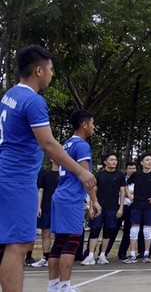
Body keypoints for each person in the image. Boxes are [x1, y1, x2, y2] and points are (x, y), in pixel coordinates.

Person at [0, 46, 95, 292]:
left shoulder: (9, 95)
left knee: (6, 243)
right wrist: (81, 171)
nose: (52, 74)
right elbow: (48, 144)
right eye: (51, 69)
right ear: (39, 70)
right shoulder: (33, 100)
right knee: (18, 244)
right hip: (17, 179)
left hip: (6, 174)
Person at [47, 110, 101, 292]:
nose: (93, 127)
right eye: (92, 123)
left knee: (60, 242)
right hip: (71, 198)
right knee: (72, 241)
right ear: (84, 124)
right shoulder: (82, 145)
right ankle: (64, 285)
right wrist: (94, 201)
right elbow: (86, 177)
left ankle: (53, 285)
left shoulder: (66, 144)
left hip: (60, 195)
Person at [81, 153, 126, 265]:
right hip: (98, 208)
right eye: (111, 160)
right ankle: (90, 255)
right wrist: (91, 207)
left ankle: (102, 255)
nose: (114, 162)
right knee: (94, 230)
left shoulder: (120, 175)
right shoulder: (99, 175)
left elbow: (122, 192)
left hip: (112, 208)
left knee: (108, 232)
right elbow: (93, 192)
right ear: (105, 162)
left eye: (115, 159)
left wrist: (120, 208)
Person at [31, 160, 60, 268]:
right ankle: (46, 257)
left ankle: (57, 257)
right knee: (45, 232)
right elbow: (41, 191)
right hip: (46, 206)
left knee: (59, 233)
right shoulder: (45, 174)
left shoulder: (64, 175)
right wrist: (38, 207)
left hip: (59, 208)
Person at [117, 161, 142, 260]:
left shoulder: (140, 179)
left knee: (128, 231)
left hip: (134, 207)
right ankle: (104, 252)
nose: (132, 170)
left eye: (134, 168)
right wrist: (128, 194)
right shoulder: (121, 179)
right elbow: (119, 192)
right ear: (126, 170)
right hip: (121, 206)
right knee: (113, 229)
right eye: (130, 168)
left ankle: (122, 252)